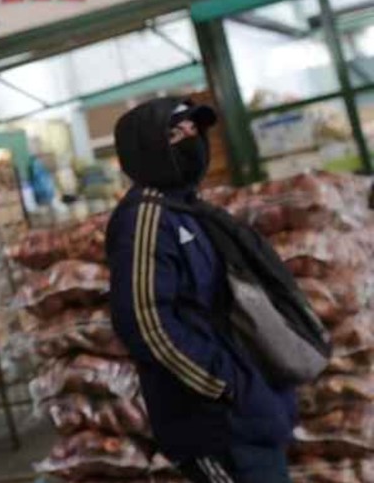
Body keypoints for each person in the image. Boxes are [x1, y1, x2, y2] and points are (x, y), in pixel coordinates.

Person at [107, 98, 297, 483]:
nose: (193, 139)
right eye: (177, 133)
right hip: (213, 423)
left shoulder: (189, 209)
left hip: (247, 413)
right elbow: (147, 324)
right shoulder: (145, 218)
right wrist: (222, 384)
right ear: (148, 149)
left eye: (195, 130)